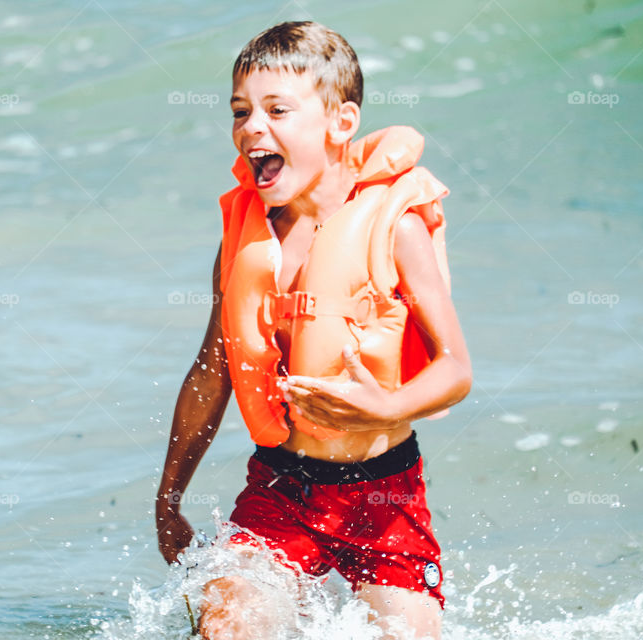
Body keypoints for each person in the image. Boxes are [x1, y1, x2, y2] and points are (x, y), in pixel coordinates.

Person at [155, 21, 472, 640]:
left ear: (340, 123)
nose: (252, 127)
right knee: (227, 626)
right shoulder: (244, 240)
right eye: (241, 111)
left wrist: (386, 403)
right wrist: (169, 497)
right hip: (281, 486)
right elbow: (212, 370)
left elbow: (456, 368)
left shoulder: (394, 228)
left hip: (384, 495)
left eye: (277, 110)